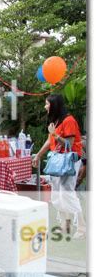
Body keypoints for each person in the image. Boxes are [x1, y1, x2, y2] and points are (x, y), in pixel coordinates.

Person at [32, 94, 85, 238]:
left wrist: (55, 135)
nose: (45, 107)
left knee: (67, 193)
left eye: (47, 104)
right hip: (57, 161)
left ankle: (81, 227)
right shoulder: (56, 121)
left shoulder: (69, 120)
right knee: (56, 194)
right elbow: (49, 141)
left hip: (69, 161)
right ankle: (65, 226)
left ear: (54, 105)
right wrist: (38, 155)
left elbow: (69, 144)